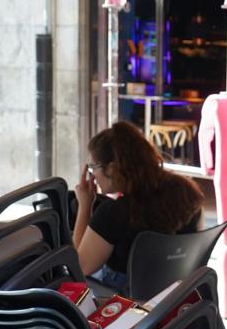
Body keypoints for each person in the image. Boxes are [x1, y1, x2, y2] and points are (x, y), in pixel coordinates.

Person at [73, 120, 204, 290]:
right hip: (177, 294)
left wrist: (85, 206)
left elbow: (80, 267)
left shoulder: (114, 214)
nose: (93, 175)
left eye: (93, 167)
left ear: (111, 169)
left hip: (129, 302)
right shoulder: (187, 191)